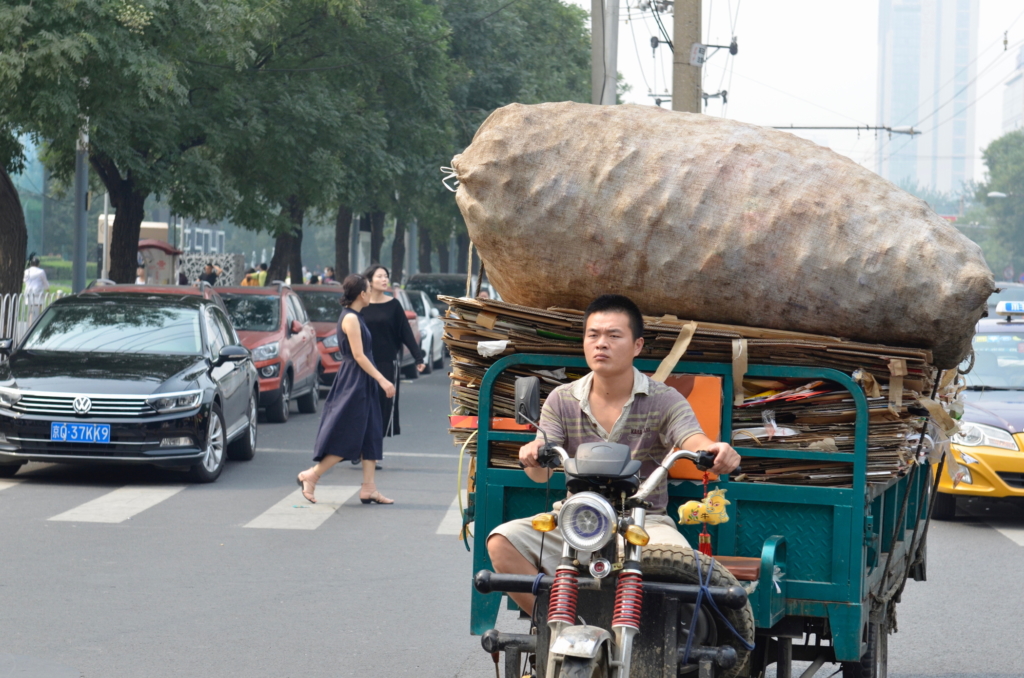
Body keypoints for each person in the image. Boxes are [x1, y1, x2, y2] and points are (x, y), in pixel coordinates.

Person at [486, 294, 741, 615]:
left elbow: (692, 439)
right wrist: (534, 454)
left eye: (613, 335)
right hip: (577, 520)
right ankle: (553, 627)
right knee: (501, 541)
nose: (601, 344)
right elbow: (542, 472)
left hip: (645, 522)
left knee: (684, 565)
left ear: (637, 345)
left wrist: (714, 451)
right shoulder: (561, 399)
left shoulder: (664, 399)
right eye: (593, 335)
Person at [297, 274, 396, 505]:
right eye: (369, 289)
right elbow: (359, 356)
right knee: (349, 435)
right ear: (362, 294)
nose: (371, 293)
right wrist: (383, 380)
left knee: (370, 432)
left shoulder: (357, 316)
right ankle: (311, 475)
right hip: (355, 382)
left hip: (363, 381)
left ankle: (369, 488)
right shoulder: (350, 319)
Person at [359, 265, 425, 463]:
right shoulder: (360, 304)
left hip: (387, 363)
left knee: (381, 408)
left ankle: (373, 452)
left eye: (386, 276)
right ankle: (361, 446)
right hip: (362, 363)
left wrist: (418, 357)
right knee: (362, 406)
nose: (384, 279)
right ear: (369, 281)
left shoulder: (394, 305)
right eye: (379, 276)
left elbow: (406, 332)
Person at [23, 256, 49, 323]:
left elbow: (24, 280)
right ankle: (35, 324)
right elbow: (45, 282)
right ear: (38, 264)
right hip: (38, 293)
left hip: (28, 292)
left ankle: (30, 324)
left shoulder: (26, 271)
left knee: (31, 310)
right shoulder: (41, 271)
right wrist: (48, 290)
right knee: (37, 310)